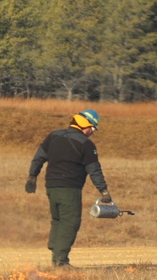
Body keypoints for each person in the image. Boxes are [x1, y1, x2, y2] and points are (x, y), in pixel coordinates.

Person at [25, 109, 113, 267]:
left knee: (58, 219)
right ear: (86, 125)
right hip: (69, 187)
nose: (92, 132)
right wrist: (104, 191)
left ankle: (56, 247)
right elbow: (94, 170)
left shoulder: (54, 136)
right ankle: (61, 261)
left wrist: (32, 176)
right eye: (92, 128)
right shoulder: (86, 144)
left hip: (51, 185)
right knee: (70, 222)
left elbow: (39, 157)